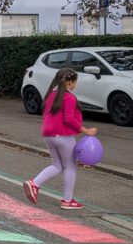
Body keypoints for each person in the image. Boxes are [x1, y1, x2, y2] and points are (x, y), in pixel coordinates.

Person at [24, 68, 97, 210]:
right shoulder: (69, 97)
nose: (75, 85)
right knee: (70, 167)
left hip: (49, 136)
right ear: (69, 82)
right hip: (64, 137)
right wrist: (86, 130)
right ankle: (67, 201)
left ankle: (34, 183)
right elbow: (69, 119)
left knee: (57, 165)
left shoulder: (51, 94)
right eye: (75, 82)